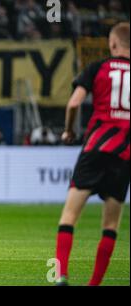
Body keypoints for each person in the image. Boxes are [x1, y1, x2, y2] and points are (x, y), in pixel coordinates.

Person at [54, 22, 130, 286]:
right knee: (110, 226)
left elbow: (74, 102)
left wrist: (68, 131)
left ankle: (61, 275)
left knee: (68, 216)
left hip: (95, 149)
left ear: (112, 44)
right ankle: (94, 284)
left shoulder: (98, 68)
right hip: (124, 156)